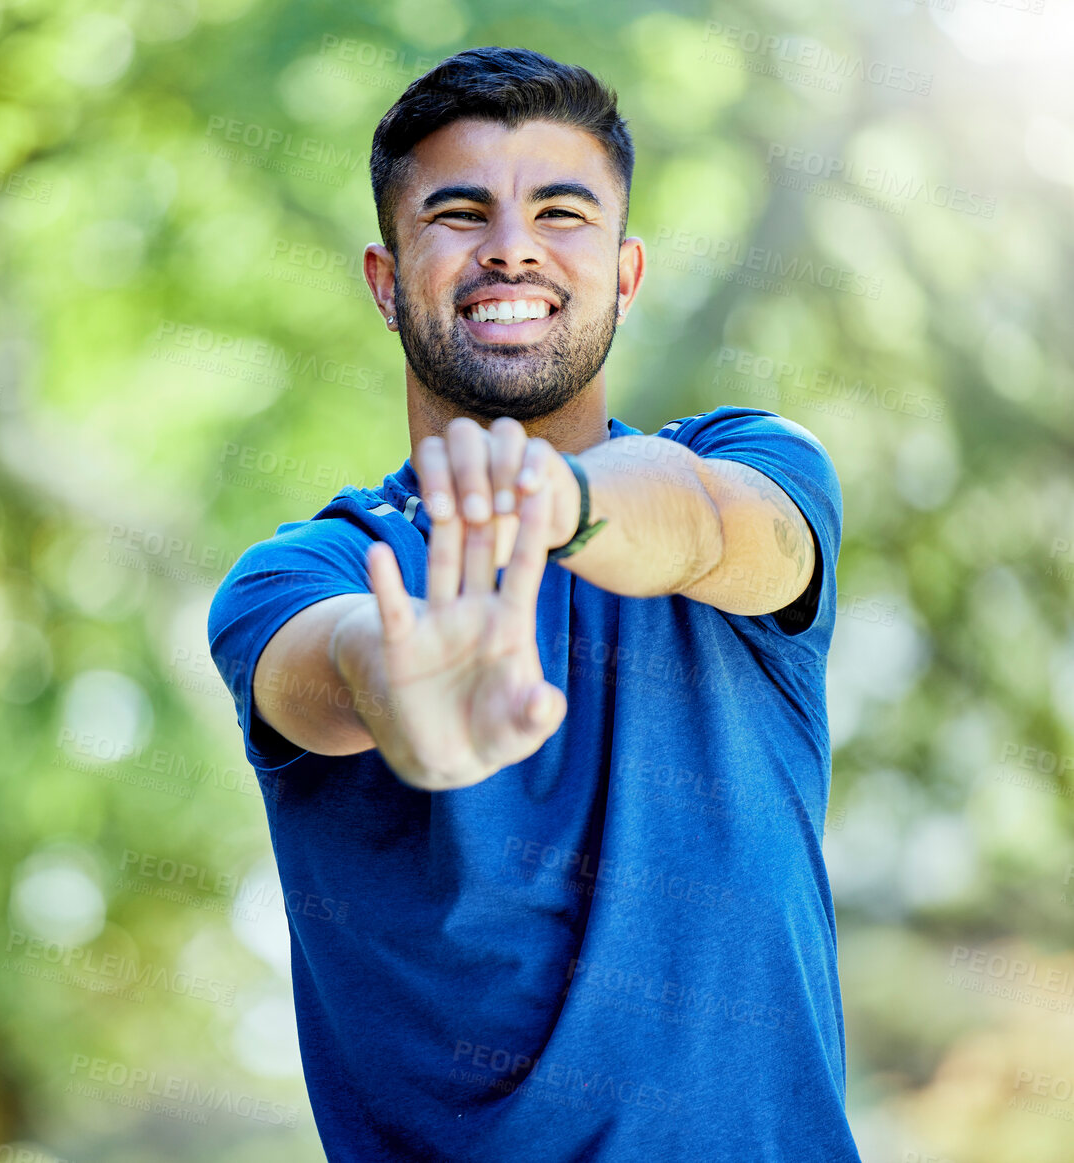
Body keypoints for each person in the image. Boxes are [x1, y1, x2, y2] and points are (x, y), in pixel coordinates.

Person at [206, 46, 862, 1161]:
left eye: (562, 211)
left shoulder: (753, 466)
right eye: (459, 213)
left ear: (625, 270)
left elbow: (704, 524)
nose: (510, 243)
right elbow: (334, 664)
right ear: (383, 277)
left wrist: (548, 501)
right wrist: (399, 688)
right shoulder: (301, 575)